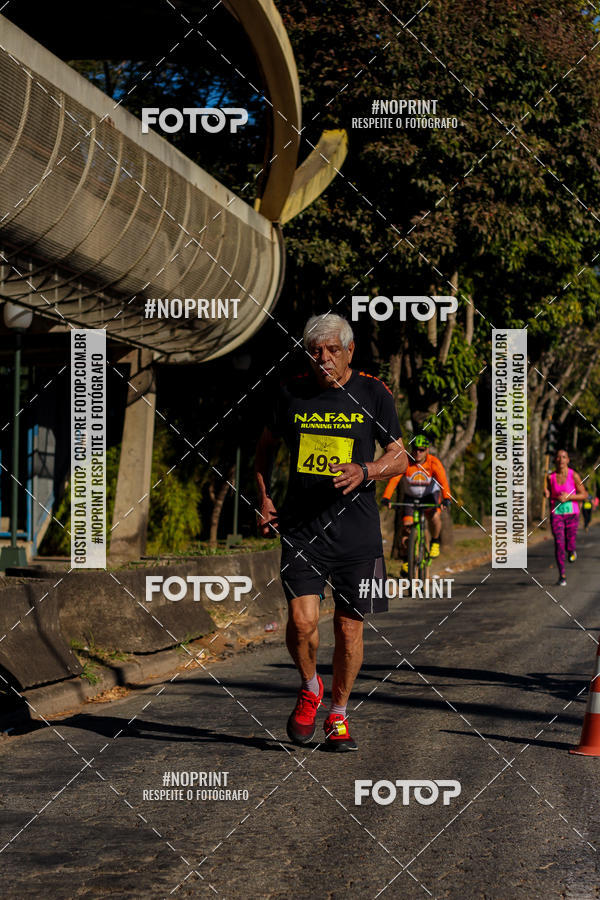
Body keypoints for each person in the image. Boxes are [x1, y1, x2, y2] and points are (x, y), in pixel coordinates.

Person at [255, 313, 407, 752]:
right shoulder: (290, 393)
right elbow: (264, 448)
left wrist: (369, 470)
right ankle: (309, 686)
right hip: (302, 530)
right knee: (302, 623)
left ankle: (338, 713)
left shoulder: (373, 393)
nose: (323, 358)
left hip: (357, 534)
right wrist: (264, 499)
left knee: (348, 630)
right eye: (315, 351)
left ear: (349, 351)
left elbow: (399, 455)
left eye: (332, 351)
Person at [381, 434, 452, 565]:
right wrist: (386, 497)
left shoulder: (433, 462)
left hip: (430, 495)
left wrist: (446, 498)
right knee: (406, 528)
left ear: (427, 450)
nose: (418, 453)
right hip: (411, 497)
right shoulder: (406, 462)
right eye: (415, 449)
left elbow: (443, 482)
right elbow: (394, 480)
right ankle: (408, 560)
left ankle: (435, 541)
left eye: (422, 450)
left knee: (435, 517)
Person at [544, 449, 587, 586]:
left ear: (568, 460)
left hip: (572, 514)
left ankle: (572, 549)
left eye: (564, 457)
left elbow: (584, 495)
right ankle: (562, 575)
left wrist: (569, 497)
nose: (561, 459)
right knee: (559, 543)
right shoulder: (550, 477)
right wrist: (546, 493)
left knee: (569, 541)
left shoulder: (573, 476)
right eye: (558, 457)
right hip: (556, 514)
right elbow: (548, 492)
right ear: (555, 460)